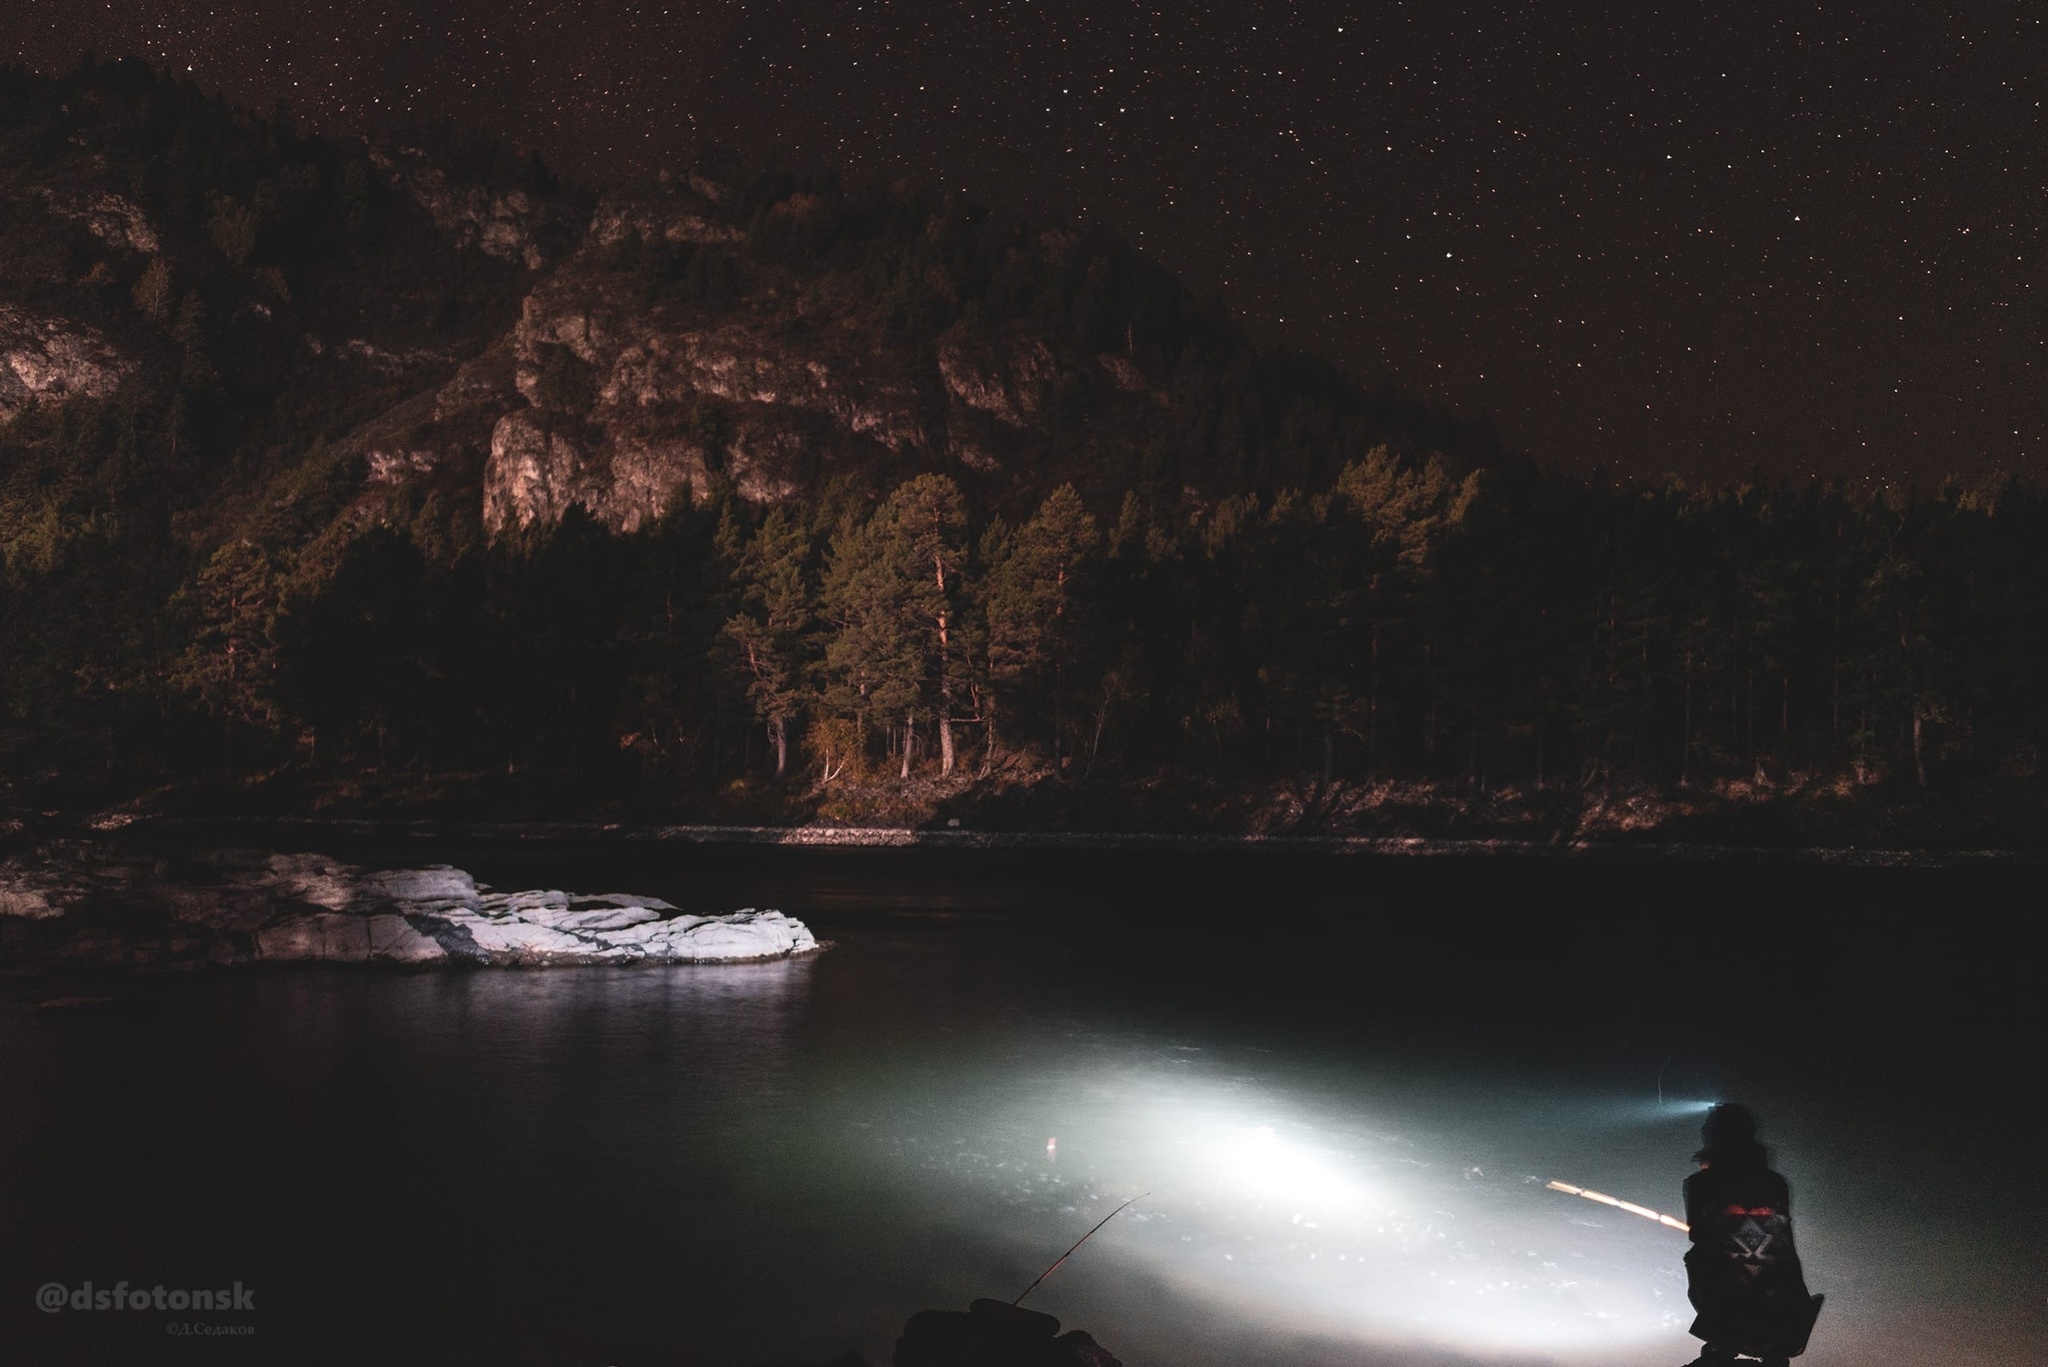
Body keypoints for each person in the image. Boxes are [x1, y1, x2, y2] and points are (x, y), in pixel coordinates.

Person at [1682, 1103, 1824, 1366]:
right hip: (1780, 1289)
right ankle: (1771, 1349)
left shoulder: (1699, 1184)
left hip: (1724, 1289)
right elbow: (1783, 1240)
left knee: (1701, 1256)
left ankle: (1723, 1343)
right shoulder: (1776, 1183)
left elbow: (1699, 1235)